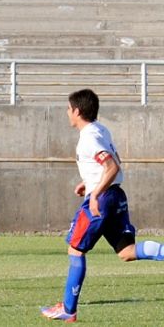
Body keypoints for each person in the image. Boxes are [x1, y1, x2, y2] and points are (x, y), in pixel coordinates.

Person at [42, 89, 164, 322]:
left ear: (77, 111)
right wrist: (89, 182)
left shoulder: (89, 137)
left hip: (103, 199)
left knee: (75, 249)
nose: (67, 112)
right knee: (126, 252)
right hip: (115, 195)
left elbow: (112, 167)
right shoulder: (100, 129)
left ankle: (68, 309)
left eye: (68, 108)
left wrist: (95, 192)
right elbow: (111, 163)